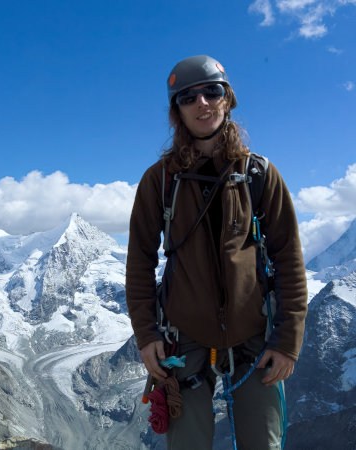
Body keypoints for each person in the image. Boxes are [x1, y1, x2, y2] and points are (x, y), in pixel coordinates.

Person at [125, 55, 308, 449]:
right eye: (188, 97)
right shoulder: (158, 182)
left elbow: (289, 258)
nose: (202, 103)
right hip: (183, 338)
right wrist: (146, 334)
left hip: (254, 334)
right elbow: (140, 261)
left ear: (228, 99)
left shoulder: (259, 175)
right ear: (177, 111)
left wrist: (287, 340)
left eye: (212, 91)